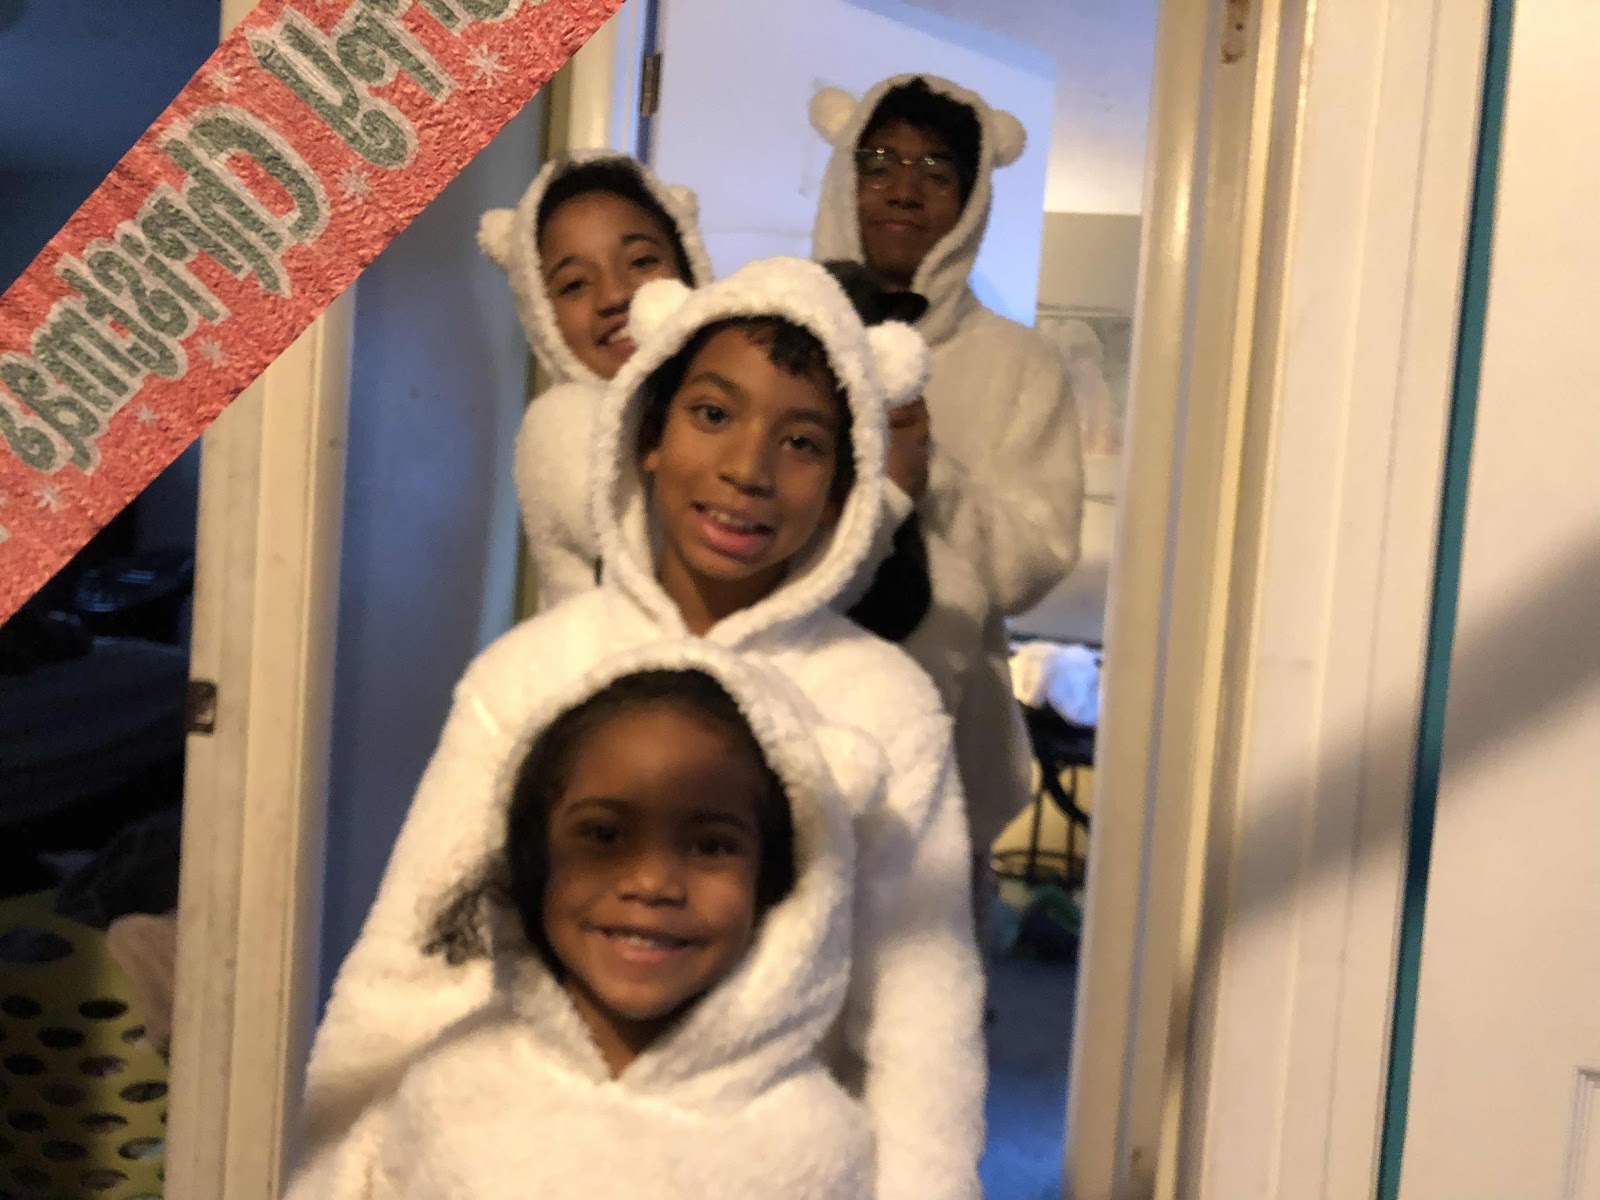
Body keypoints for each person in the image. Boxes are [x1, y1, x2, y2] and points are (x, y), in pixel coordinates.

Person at [288, 257, 985, 1200]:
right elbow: (411, 969)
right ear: (648, 433)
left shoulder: (886, 705)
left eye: (802, 442)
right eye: (713, 414)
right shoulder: (528, 673)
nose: (748, 468)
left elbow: (920, 1028)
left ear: (843, 484)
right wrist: (329, 1172)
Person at [357, 648, 879, 1198]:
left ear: (776, 882)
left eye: (710, 846)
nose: (651, 883)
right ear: (534, 858)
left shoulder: (816, 1145)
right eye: (604, 835)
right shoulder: (448, 1096)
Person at [810, 74, 1086, 929]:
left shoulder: (1021, 365)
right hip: (785, 713)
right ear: (845, 177)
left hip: (944, 738)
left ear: (970, 203)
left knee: (919, 991)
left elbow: (1033, 564)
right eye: (879, 161)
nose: (904, 188)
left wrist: (930, 469)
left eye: (937, 171)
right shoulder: (778, 326)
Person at [479, 152, 714, 609]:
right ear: (541, 315)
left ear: (689, 268)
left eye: (641, 261)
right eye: (574, 284)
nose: (615, 295)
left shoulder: (716, 407)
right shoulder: (565, 423)